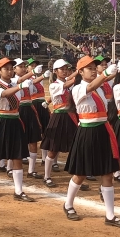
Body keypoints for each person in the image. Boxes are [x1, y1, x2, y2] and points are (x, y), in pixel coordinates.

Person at [61, 56, 120, 228]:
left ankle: (110, 215)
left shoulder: (99, 88)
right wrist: (106, 74)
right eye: (89, 68)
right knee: (81, 173)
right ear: (80, 72)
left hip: (102, 131)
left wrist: (107, 75)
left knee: (107, 173)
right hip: (87, 131)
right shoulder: (78, 88)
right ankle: (68, 204)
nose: (93, 71)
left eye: (95, 68)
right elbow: (91, 86)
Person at [0, 58, 35, 201]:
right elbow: (5, 94)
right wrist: (20, 86)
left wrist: (23, 82)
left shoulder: (15, 84)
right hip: (0, 121)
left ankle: (18, 191)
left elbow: (17, 88)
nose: (10, 71)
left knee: (17, 157)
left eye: (12, 68)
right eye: (6, 69)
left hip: (15, 121)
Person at [40, 59, 77, 188]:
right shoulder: (54, 85)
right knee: (53, 148)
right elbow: (66, 85)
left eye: (66, 69)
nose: (65, 71)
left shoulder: (69, 84)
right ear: (55, 71)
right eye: (62, 69)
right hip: (59, 117)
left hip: (71, 116)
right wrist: (79, 74)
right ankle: (47, 176)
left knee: (75, 147)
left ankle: (76, 177)